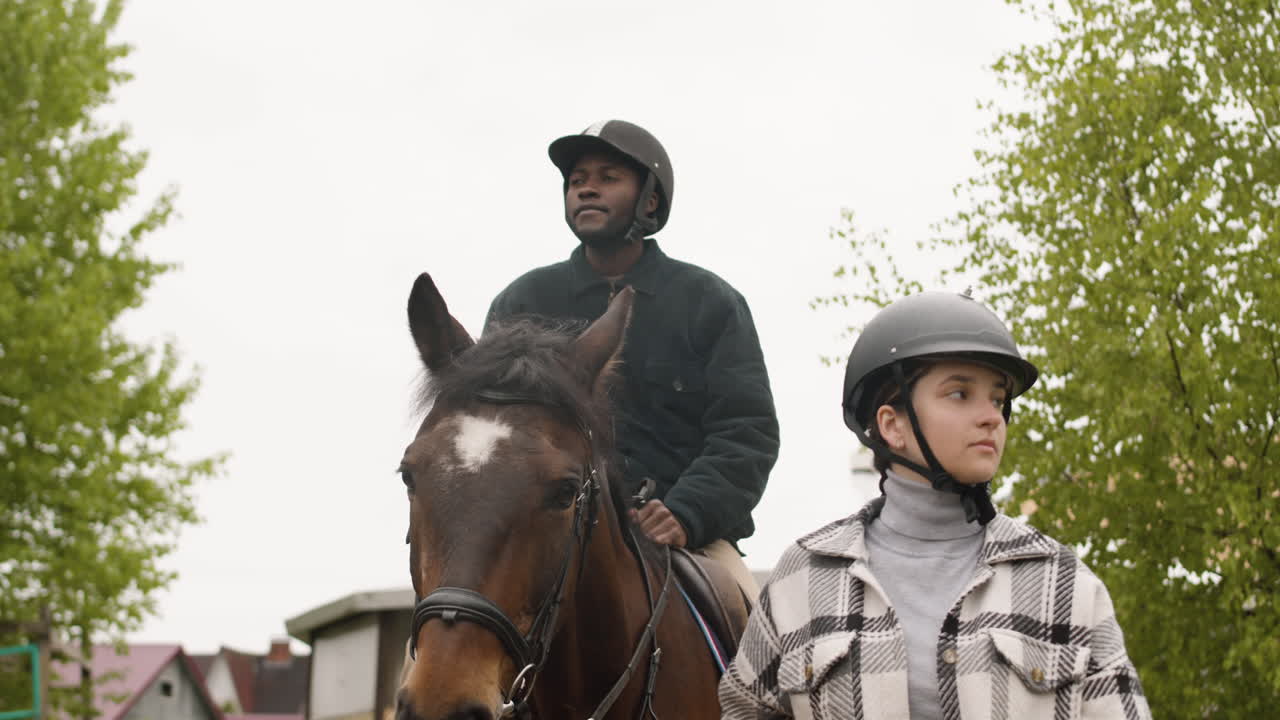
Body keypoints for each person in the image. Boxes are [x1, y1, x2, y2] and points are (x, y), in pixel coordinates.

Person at [719, 291, 1151, 719]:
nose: (991, 417)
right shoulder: (802, 578)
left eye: (998, 400)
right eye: (961, 394)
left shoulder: (1063, 582)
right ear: (892, 425)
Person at [485, 119, 779, 596]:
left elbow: (747, 433)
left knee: (762, 644)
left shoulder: (710, 301)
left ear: (650, 199)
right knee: (426, 660)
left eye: (607, 178)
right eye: (577, 181)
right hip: (539, 537)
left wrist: (687, 512)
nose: (587, 191)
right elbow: (487, 428)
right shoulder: (521, 304)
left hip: (687, 542)